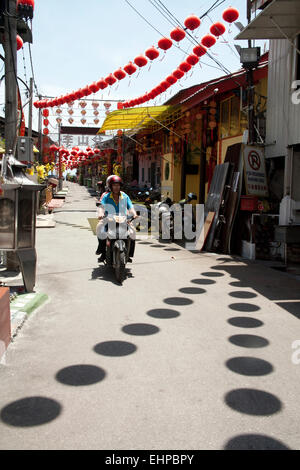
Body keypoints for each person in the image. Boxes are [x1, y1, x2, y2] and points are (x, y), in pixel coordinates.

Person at [95, 175, 138, 262]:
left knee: (132, 232)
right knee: (99, 228)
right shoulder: (106, 196)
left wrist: (134, 214)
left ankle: (129, 254)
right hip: (108, 218)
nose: (116, 187)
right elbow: (101, 206)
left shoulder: (125, 196)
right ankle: (102, 252)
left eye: (118, 185)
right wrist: (100, 213)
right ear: (110, 186)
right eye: (114, 185)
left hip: (123, 219)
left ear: (120, 186)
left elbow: (130, 207)